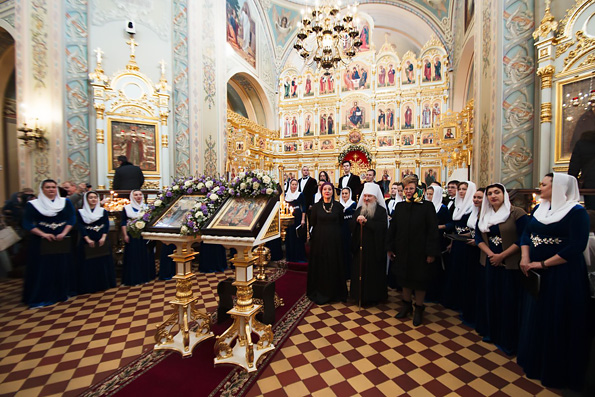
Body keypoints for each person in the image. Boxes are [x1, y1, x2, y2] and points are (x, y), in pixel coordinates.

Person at [517, 173, 591, 390]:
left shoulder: (576, 212)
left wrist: (543, 264)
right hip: (535, 269)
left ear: (558, 187)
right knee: (538, 316)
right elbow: (526, 235)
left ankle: (556, 370)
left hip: (563, 275)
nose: (540, 188)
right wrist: (525, 257)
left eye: (544, 184)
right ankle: (535, 361)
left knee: (557, 317)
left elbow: (576, 246)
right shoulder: (540, 209)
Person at [475, 183, 527, 355]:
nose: (493, 196)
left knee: (508, 300)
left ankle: (507, 337)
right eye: (489, 193)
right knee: (491, 297)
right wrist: (491, 254)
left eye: (497, 192)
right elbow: (478, 237)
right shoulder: (485, 214)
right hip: (490, 261)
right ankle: (492, 331)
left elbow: (523, 238)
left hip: (509, 263)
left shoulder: (516, 213)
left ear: (504, 194)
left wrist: (501, 256)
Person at [388, 175, 440, 326]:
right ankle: (406, 306)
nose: (408, 191)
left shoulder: (427, 207)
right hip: (402, 250)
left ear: (417, 189)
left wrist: (431, 252)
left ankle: (419, 309)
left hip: (420, 251)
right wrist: (390, 247)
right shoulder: (400, 206)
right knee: (404, 279)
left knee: (419, 281)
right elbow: (393, 229)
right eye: (406, 189)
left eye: (411, 188)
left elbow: (432, 231)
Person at [22, 179, 76, 307]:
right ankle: (42, 296)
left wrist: (64, 232)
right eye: (48, 187)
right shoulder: (33, 204)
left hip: (60, 240)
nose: (51, 189)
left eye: (53, 187)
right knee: (43, 269)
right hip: (41, 241)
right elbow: (27, 223)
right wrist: (43, 234)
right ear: (42, 189)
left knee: (61, 267)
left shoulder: (64, 202)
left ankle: (60, 293)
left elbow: (71, 218)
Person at [307, 182, 347, 304]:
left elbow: (341, 222)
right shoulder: (316, 207)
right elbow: (313, 223)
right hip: (320, 241)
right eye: (325, 189)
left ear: (332, 191)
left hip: (335, 241)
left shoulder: (339, 207)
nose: (327, 191)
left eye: (329, 189)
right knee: (322, 265)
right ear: (321, 191)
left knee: (334, 264)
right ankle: (321, 291)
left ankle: (335, 293)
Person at [350, 183, 388, 306]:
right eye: (365, 196)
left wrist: (367, 222)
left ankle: (373, 297)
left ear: (376, 198)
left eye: (369, 196)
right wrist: (356, 222)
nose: (366, 199)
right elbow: (351, 227)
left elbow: (382, 228)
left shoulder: (381, 211)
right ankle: (358, 296)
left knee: (373, 274)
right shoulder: (359, 210)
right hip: (360, 248)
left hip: (374, 248)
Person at [442, 181, 477, 311]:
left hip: (467, 243)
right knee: (455, 269)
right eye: (460, 189)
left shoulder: (473, 206)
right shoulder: (458, 205)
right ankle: (453, 300)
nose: (461, 191)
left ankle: (463, 302)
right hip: (457, 241)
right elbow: (454, 227)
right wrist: (452, 242)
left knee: (465, 271)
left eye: (464, 189)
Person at [76, 191, 115, 294]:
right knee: (88, 263)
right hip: (87, 240)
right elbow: (80, 227)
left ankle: (103, 284)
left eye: (95, 197)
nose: (93, 199)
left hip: (101, 239)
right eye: (91, 198)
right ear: (86, 199)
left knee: (102, 262)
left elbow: (106, 225)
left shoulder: (102, 211)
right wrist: (87, 239)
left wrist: (103, 237)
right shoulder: (81, 212)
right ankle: (89, 285)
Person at [121, 190, 155, 286]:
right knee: (133, 256)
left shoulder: (146, 207)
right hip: (131, 235)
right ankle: (133, 279)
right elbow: (123, 223)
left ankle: (144, 277)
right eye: (136, 195)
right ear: (132, 196)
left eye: (140, 195)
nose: (138, 196)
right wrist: (125, 235)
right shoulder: (127, 208)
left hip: (144, 235)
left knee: (144, 255)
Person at [568, 129, 595, 209]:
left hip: (590, 185)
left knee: (592, 212)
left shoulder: (582, 144)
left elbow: (574, 168)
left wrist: (571, 187)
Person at [284, 179, 307, 264]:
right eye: (292, 184)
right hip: (288, 217)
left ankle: (298, 256)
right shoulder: (286, 195)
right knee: (289, 236)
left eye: (295, 185)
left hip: (298, 217)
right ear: (290, 185)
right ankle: (290, 256)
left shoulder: (300, 194)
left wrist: (303, 219)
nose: (294, 186)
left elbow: (304, 207)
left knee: (297, 236)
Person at [340, 187, 357, 280]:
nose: (344, 195)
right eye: (343, 193)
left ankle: (351, 272)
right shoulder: (338, 205)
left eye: (346, 193)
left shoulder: (353, 204)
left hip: (350, 231)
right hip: (341, 231)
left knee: (350, 251)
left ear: (349, 194)